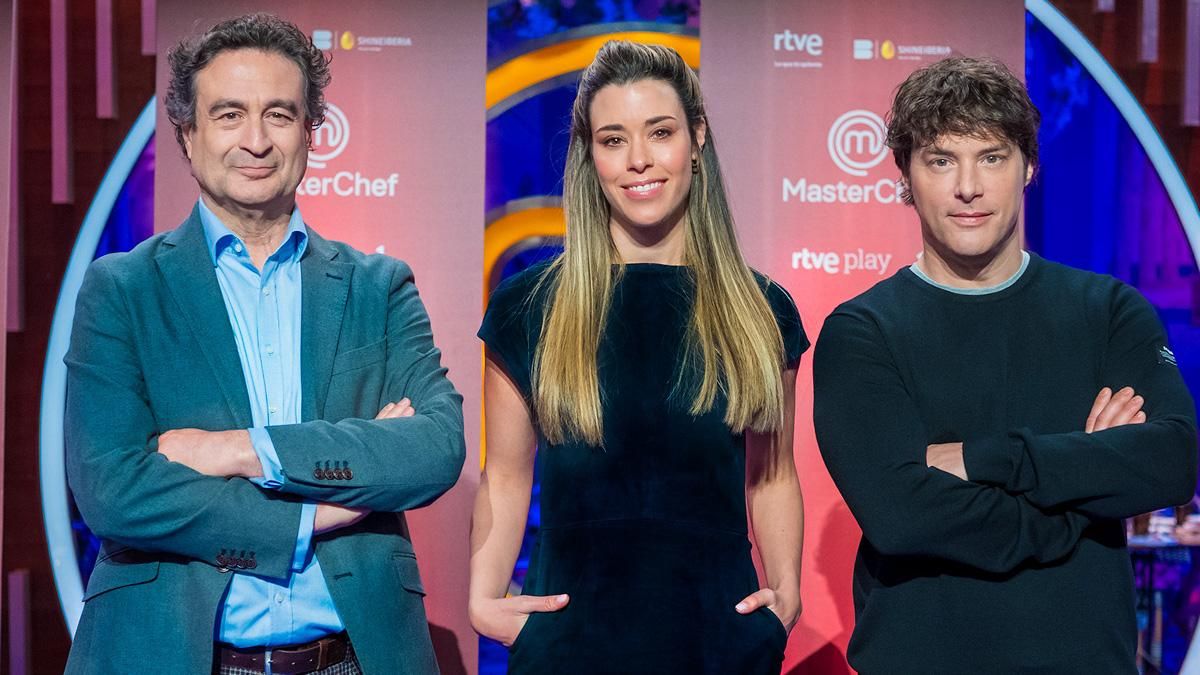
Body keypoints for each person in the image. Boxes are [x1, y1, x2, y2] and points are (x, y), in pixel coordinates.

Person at [63, 14, 464, 675]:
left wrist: (236, 450)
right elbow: (114, 488)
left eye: (279, 114)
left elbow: (434, 447)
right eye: (229, 115)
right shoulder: (122, 289)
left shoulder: (378, 286)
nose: (256, 140)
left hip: (354, 659)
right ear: (188, 137)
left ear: (310, 133)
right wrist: (321, 512)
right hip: (174, 656)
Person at [813, 56, 1198, 673]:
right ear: (905, 178)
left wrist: (978, 458)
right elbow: (903, 518)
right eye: (942, 160)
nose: (969, 187)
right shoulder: (863, 332)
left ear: (1029, 167)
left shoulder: (1108, 311)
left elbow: (1172, 461)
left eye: (991, 156)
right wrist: (1084, 486)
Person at [469, 40, 807, 674]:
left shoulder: (762, 309)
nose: (640, 161)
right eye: (614, 139)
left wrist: (784, 595)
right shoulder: (527, 307)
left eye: (660, 132)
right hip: (569, 645)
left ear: (697, 137)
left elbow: (773, 475)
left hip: (721, 644)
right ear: (589, 153)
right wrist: (484, 600)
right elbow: (506, 477)